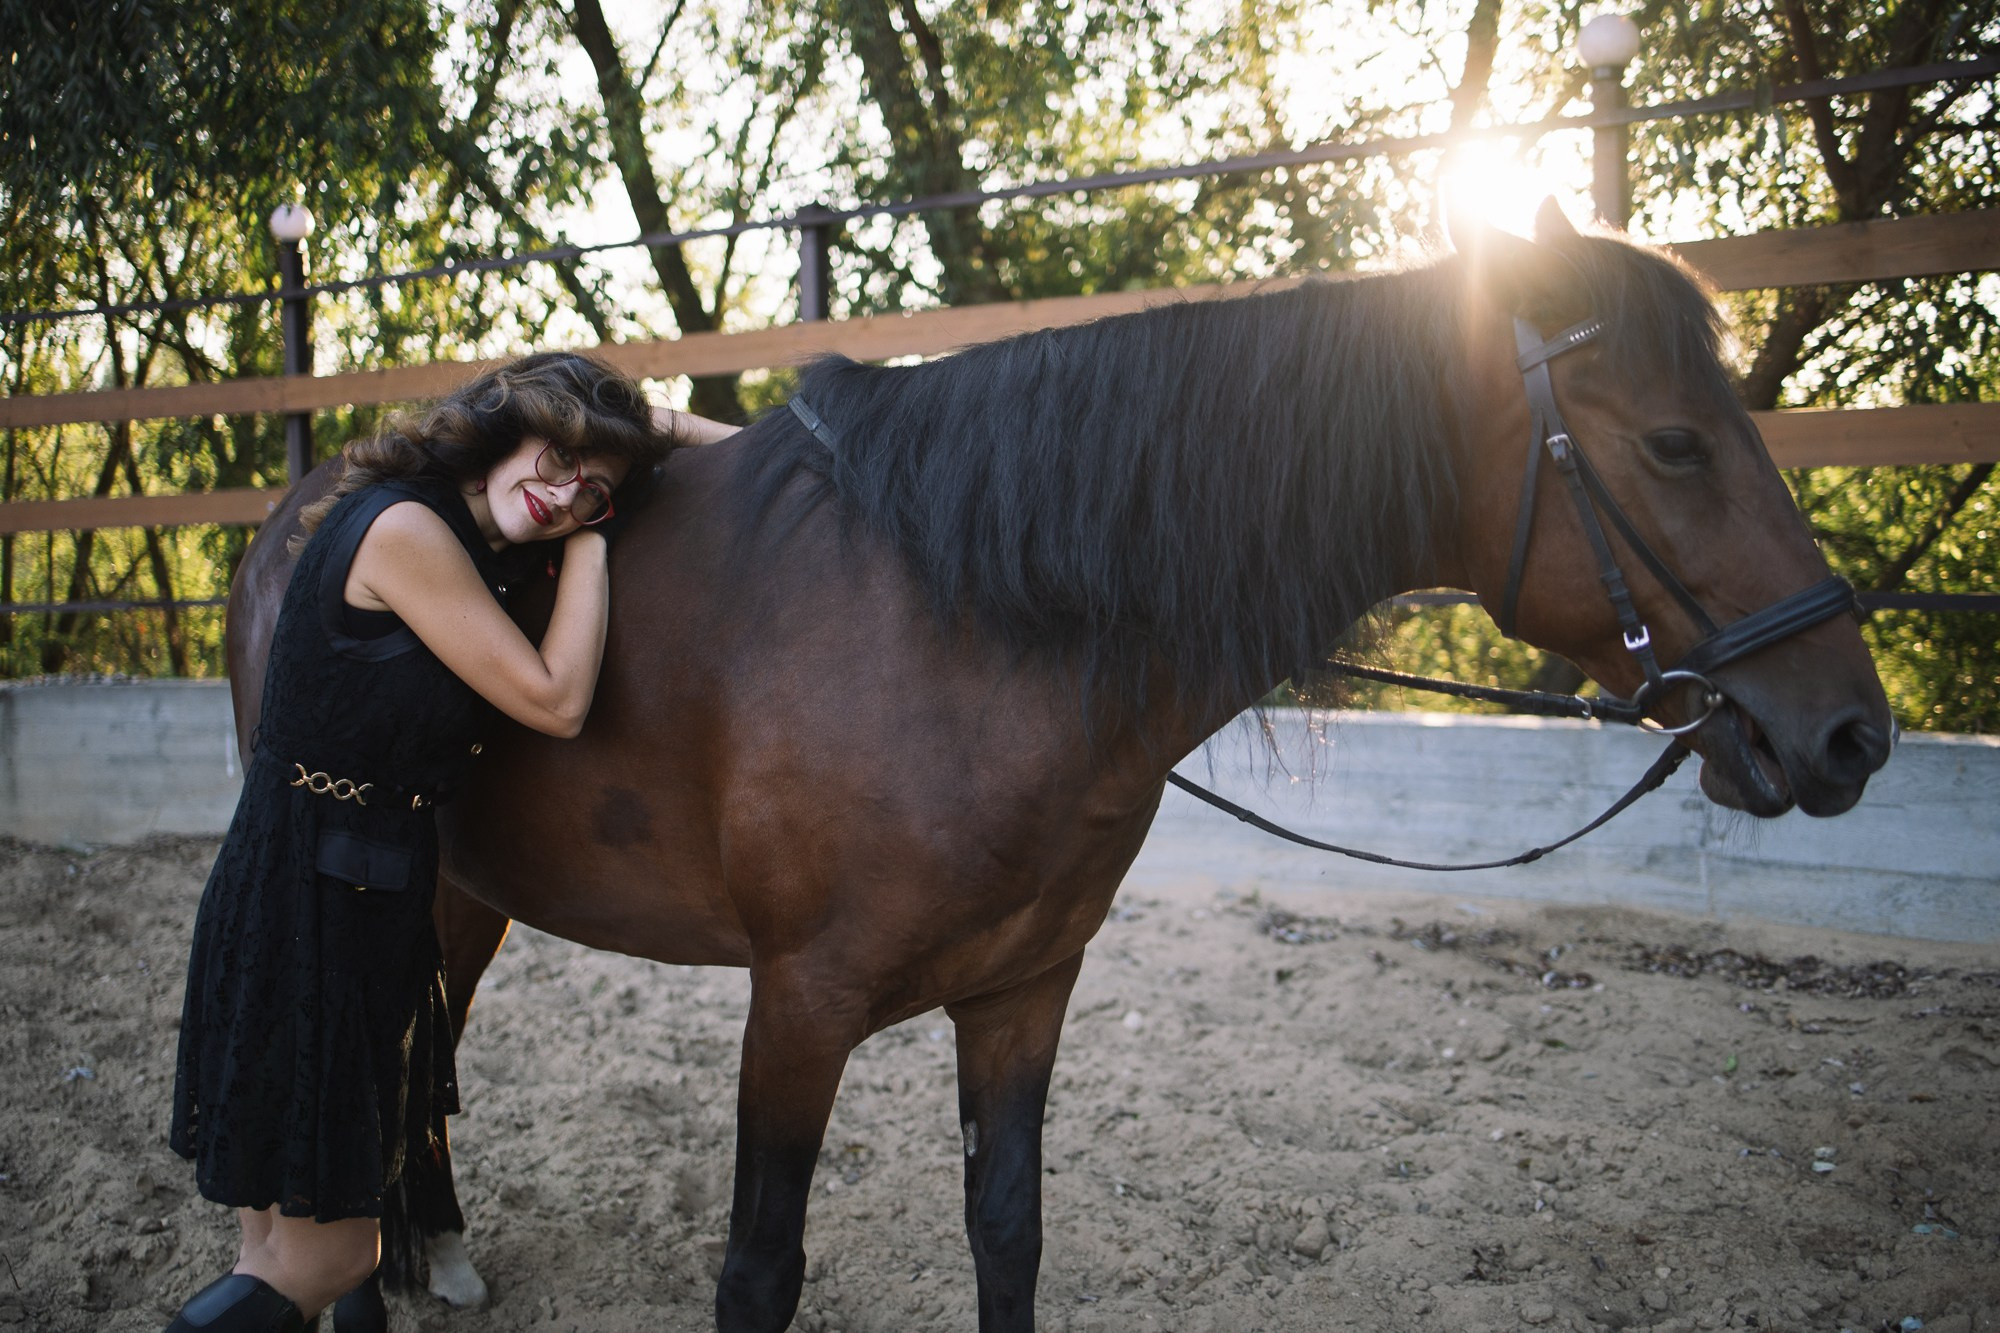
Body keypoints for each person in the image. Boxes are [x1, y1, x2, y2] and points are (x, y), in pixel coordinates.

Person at [163, 352, 731, 1332]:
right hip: (320, 912)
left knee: (276, 1256)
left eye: (593, 489)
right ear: (506, 425)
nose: (566, 495)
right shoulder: (406, 531)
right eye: (559, 460)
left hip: (310, 884)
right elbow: (555, 701)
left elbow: (727, 445)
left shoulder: (428, 519)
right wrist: (595, 540)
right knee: (337, 1256)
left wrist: (656, 429)